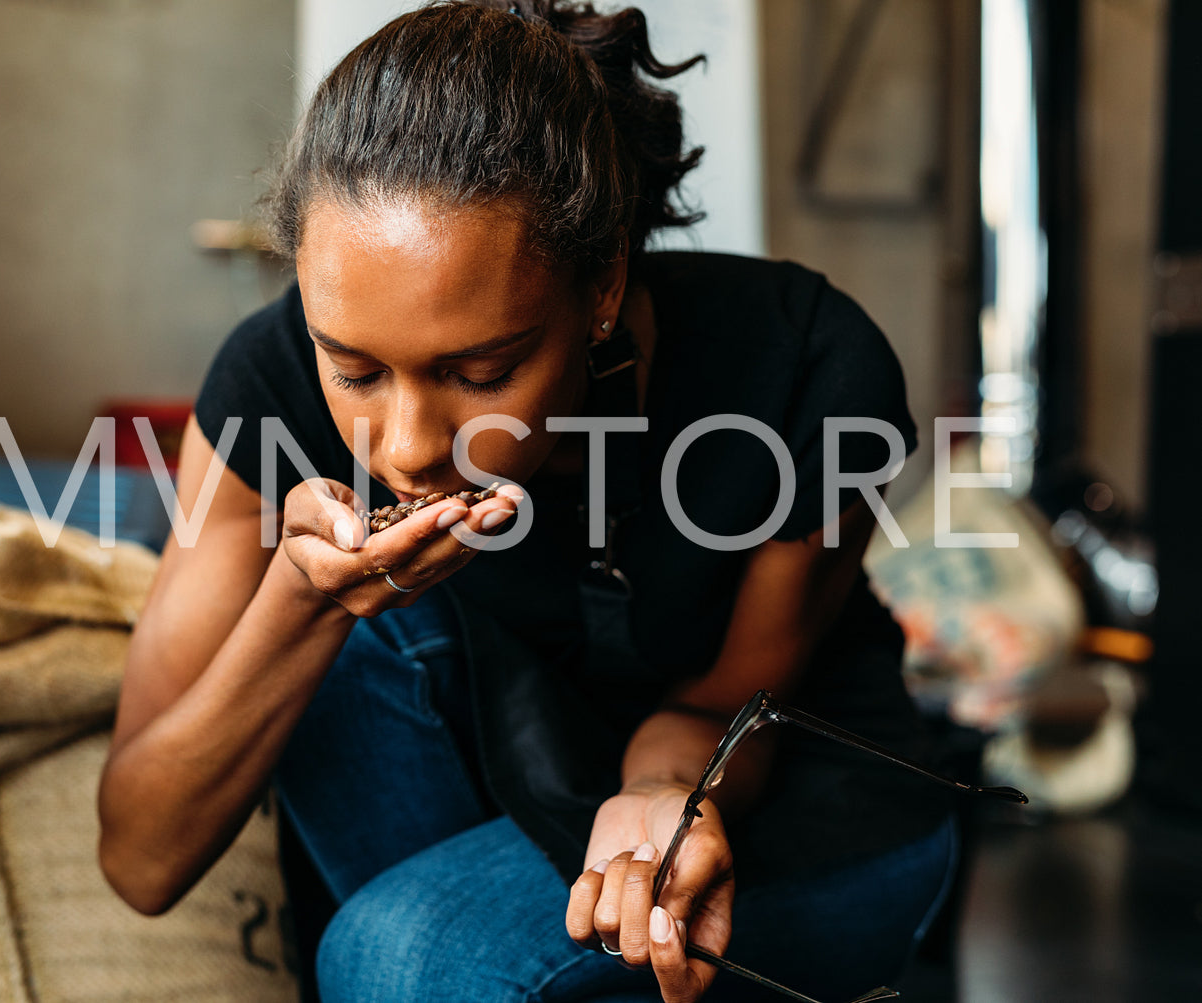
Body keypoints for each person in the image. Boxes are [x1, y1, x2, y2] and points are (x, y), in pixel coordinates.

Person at [97, 2, 958, 1001]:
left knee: (402, 958)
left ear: (601, 283)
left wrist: (657, 791)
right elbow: (141, 856)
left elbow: (729, 705)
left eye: (481, 370)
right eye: (356, 372)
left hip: (792, 819)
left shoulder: (800, 365)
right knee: (339, 662)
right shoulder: (273, 378)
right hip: (505, 783)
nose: (410, 445)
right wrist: (307, 598)